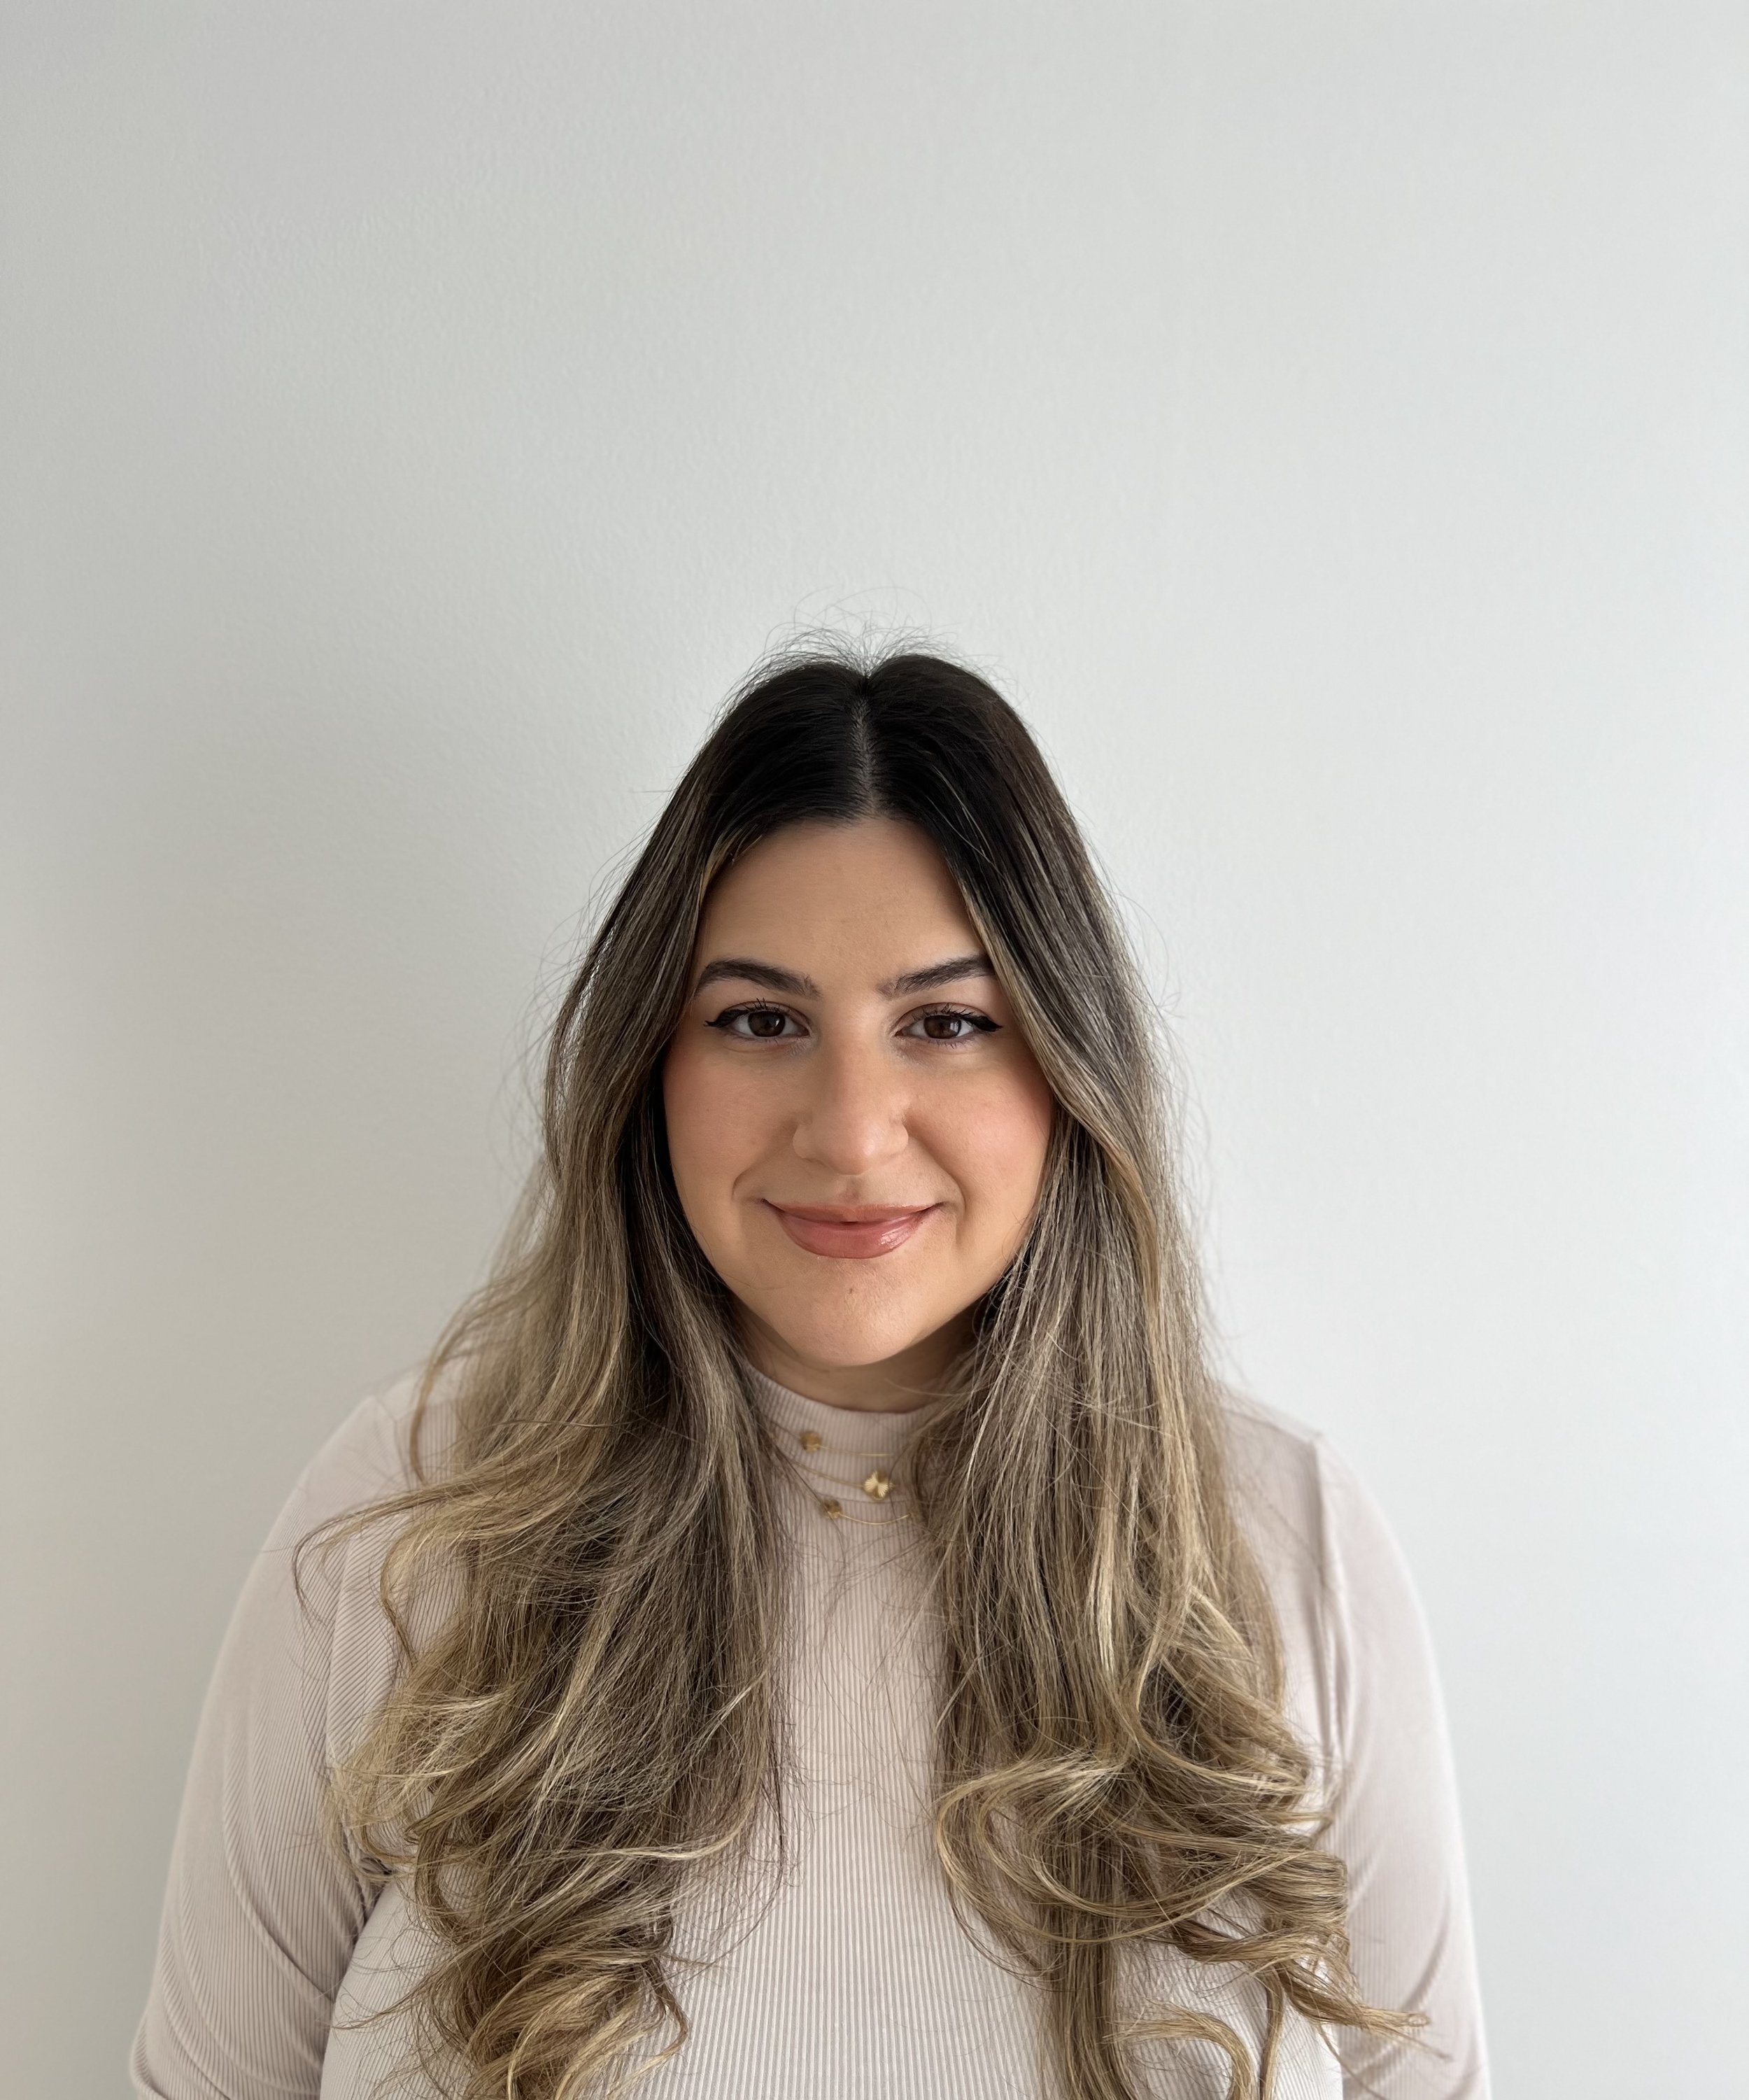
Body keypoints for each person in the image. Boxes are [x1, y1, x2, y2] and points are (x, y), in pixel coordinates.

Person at [132, 644, 1489, 2100]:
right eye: (759, 1021)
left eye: (947, 1023)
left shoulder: (1283, 1534)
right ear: (649, 1066)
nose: (850, 1131)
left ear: (1066, 1071)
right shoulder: (418, 1511)